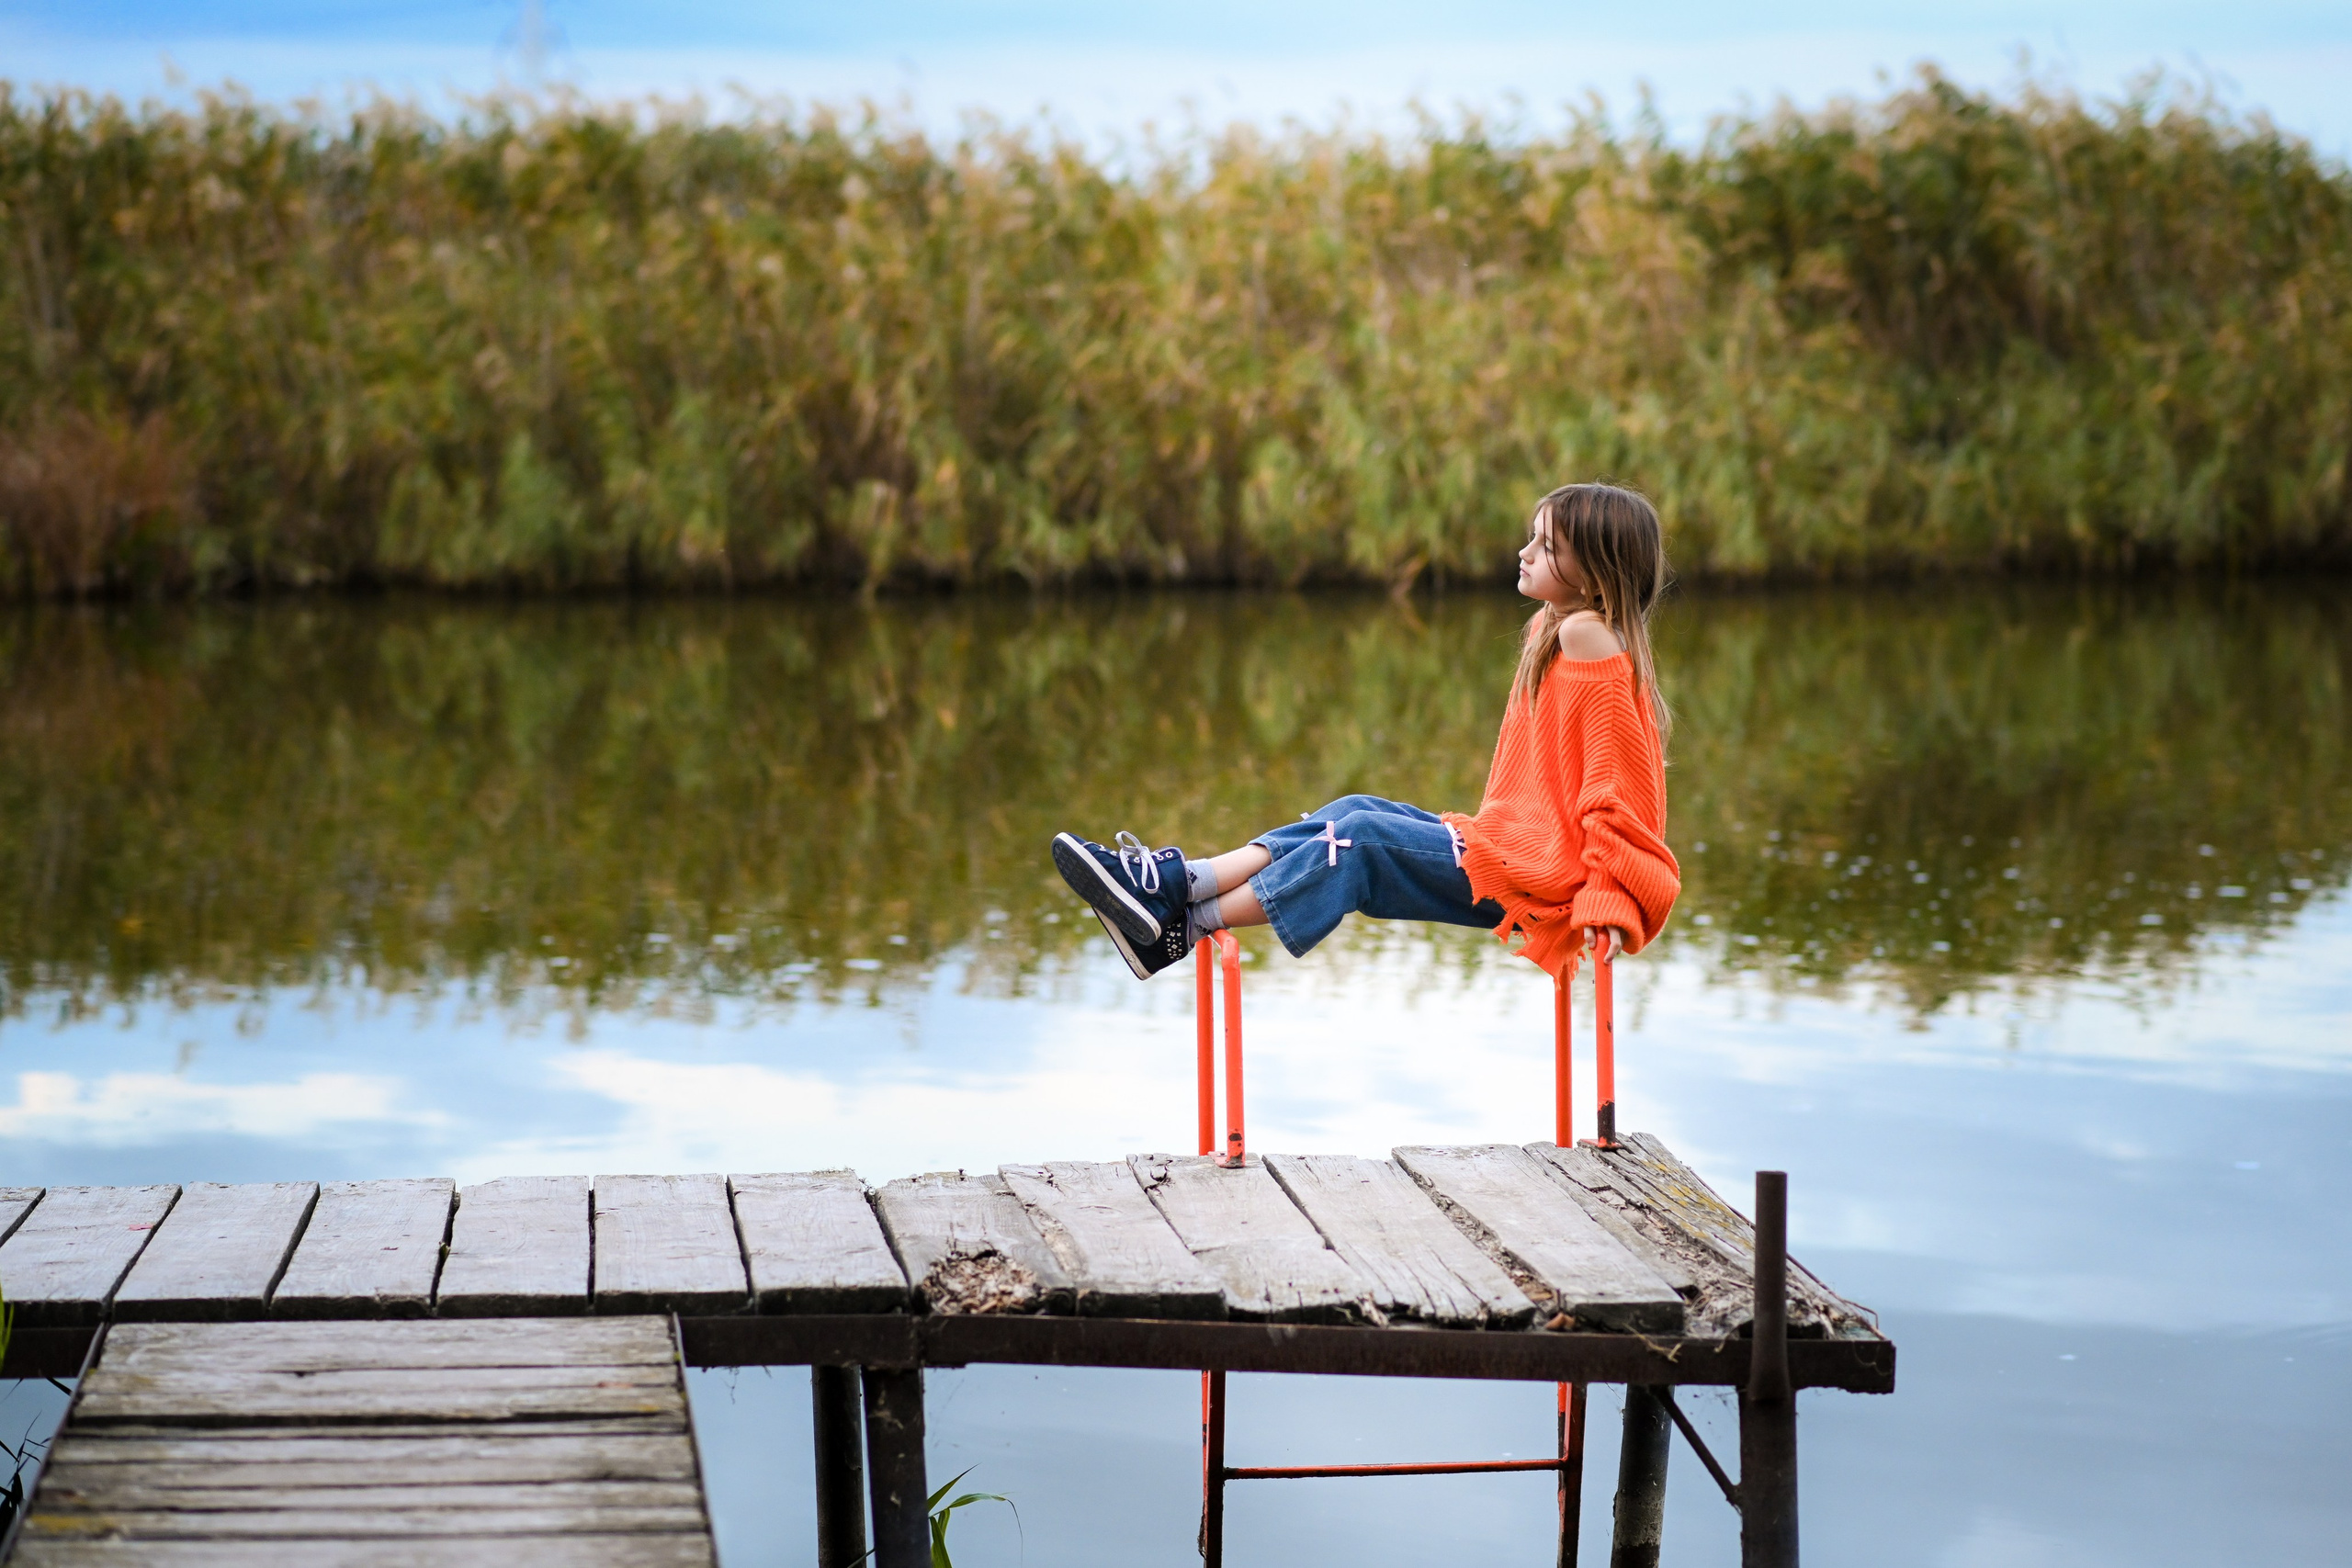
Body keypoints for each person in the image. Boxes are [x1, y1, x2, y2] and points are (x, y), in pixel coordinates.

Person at [1051, 481, 1680, 982]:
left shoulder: (1587, 634)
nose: (1525, 553)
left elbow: (1615, 786)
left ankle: (1181, 921)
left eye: (1547, 547)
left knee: (1362, 840)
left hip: (1544, 878)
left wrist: (1607, 897)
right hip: (1512, 849)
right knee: (1353, 810)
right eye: (1532, 539)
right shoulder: (1562, 624)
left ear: (1595, 576)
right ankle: (1178, 886)